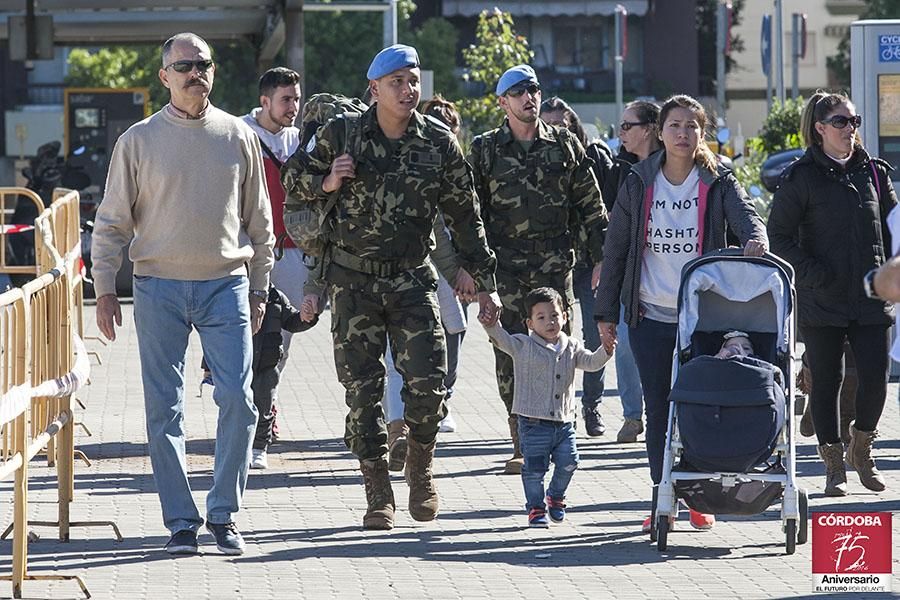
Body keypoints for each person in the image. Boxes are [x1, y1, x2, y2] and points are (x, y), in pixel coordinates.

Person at [282, 44, 500, 531]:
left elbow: (465, 215)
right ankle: (377, 491)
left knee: (428, 381)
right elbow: (292, 180)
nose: (408, 90)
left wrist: (481, 280)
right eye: (397, 81)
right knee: (362, 391)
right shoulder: (341, 133)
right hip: (353, 281)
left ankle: (420, 468)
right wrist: (328, 183)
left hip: (410, 277)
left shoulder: (438, 143)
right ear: (375, 88)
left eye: (414, 80)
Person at [91, 32, 274, 556]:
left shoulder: (238, 136)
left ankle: (224, 514)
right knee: (163, 408)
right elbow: (110, 223)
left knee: (239, 401)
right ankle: (179, 520)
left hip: (226, 285)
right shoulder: (138, 141)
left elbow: (259, 219)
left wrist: (259, 287)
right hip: (158, 288)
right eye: (185, 65)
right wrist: (104, 290)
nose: (196, 73)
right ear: (164, 76)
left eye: (204, 64)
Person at [594, 94, 768, 534]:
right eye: (675, 125)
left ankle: (696, 496)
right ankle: (662, 496)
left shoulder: (717, 178)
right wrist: (605, 312)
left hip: (700, 317)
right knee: (658, 410)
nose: (683, 134)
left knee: (699, 407)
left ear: (701, 132)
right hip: (650, 315)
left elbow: (747, 216)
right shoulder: (638, 181)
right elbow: (615, 250)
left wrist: (756, 238)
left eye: (692, 126)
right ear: (660, 131)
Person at [469, 65, 608, 474]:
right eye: (518, 92)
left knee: (556, 351)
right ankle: (522, 440)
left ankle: (557, 429)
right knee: (511, 353)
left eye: (533, 90)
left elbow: (590, 205)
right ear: (503, 102)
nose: (529, 98)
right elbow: (468, 214)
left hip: (553, 265)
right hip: (506, 267)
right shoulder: (485, 149)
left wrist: (600, 258)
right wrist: (476, 275)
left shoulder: (563, 145)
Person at [768, 90, 896, 497]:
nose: (850, 129)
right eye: (841, 122)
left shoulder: (874, 172)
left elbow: (894, 227)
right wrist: (813, 274)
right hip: (822, 297)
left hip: (871, 295)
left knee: (877, 379)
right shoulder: (801, 175)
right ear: (820, 128)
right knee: (826, 381)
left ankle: (863, 448)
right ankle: (833, 465)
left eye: (854, 122)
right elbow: (779, 237)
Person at [384, 96, 471, 467]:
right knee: (395, 359)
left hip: (450, 272)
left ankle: (439, 400)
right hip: (411, 272)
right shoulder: (405, 161)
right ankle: (396, 428)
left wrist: (469, 272)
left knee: (450, 340)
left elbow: (469, 219)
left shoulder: (458, 166)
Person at [480, 287, 611, 527]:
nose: (549, 322)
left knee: (570, 461)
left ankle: (556, 496)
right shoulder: (522, 345)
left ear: (565, 317)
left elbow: (592, 363)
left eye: (554, 315)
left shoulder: (572, 346)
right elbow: (502, 339)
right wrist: (491, 324)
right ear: (530, 323)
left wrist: (606, 349)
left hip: (564, 423)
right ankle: (536, 508)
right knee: (534, 470)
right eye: (541, 317)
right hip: (532, 423)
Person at [540, 96, 611, 438]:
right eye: (549, 124)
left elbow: (603, 207)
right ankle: (556, 408)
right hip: (558, 261)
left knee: (594, 335)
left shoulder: (592, 155)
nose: (557, 131)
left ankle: (592, 406)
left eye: (562, 124)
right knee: (556, 335)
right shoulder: (539, 156)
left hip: (591, 261)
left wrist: (603, 257)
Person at [601, 100, 663, 443]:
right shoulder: (620, 169)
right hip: (629, 272)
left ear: (650, 128)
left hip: (666, 272)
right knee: (624, 344)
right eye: (620, 127)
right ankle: (631, 415)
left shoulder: (671, 167)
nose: (620, 133)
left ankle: (671, 414)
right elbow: (608, 223)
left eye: (627, 126)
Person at [241, 68, 305, 372]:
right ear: (265, 101)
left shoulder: (301, 141)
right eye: (286, 100)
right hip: (249, 252)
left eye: (296, 99)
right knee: (242, 331)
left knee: (281, 337)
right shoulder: (240, 134)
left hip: (291, 250)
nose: (293, 107)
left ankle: (268, 407)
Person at [249, 285, 319, 470]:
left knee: (264, 407)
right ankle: (236, 449)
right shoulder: (230, 292)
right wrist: (208, 366)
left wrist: (306, 318)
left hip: (267, 363)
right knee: (235, 408)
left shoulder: (275, 296)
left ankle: (259, 448)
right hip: (237, 366)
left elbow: (292, 320)